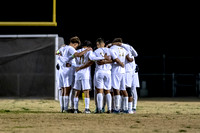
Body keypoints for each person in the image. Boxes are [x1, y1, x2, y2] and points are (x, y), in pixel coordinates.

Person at [73, 40, 109, 114]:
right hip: (85, 73)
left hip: (77, 73)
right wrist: (103, 57)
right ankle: (86, 109)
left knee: (77, 92)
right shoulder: (89, 51)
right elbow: (93, 58)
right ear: (89, 46)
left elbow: (73, 59)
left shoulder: (77, 51)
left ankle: (75, 109)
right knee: (86, 91)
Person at [61, 36, 92, 112]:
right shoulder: (73, 49)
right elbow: (79, 55)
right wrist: (87, 50)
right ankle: (86, 109)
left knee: (74, 91)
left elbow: (57, 52)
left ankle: (73, 109)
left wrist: (67, 63)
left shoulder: (63, 48)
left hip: (69, 71)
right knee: (85, 91)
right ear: (75, 44)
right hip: (81, 73)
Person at [93, 38, 124, 113]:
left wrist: (103, 61)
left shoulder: (96, 51)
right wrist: (108, 61)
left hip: (99, 71)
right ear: (103, 44)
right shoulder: (110, 50)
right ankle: (109, 109)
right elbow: (115, 59)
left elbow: (95, 60)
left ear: (98, 44)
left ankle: (99, 109)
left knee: (99, 91)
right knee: (108, 91)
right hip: (108, 72)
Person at [109, 38, 133, 113]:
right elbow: (129, 59)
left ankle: (117, 108)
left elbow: (116, 59)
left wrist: (120, 63)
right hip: (123, 71)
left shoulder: (112, 49)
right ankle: (125, 109)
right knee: (123, 89)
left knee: (116, 89)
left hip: (116, 71)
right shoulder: (123, 49)